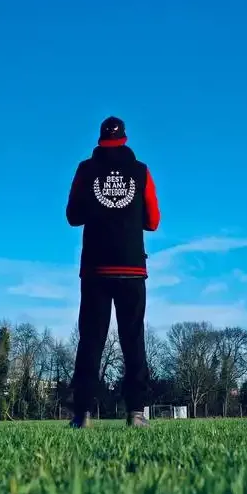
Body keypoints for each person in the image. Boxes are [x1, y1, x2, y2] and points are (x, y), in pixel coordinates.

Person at [65, 116, 161, 428]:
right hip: (132, 267)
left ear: (100, 140)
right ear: (125, 139)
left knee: (91, 340)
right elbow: (153, 221)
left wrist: (98, 209)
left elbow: (72, 215)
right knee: (133, 339)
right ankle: (136, 413)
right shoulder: (141, 171)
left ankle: (82, 414)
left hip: (96, 268)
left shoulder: (85, 170)